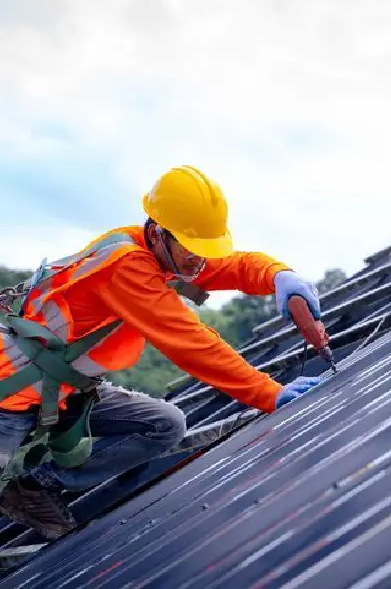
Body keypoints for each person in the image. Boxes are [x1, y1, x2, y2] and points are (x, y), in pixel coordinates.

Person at [0, 165, 323, 539]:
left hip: (66, 390)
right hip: (10, 394)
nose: (199, 262)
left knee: (164, 424)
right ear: (158, 233)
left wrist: (278, 275)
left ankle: (34, 487)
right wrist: (270, 393)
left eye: (205, 250)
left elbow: (231, 264)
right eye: (192, 250)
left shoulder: (164, 252)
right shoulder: (125, 266)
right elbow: (190, 343)